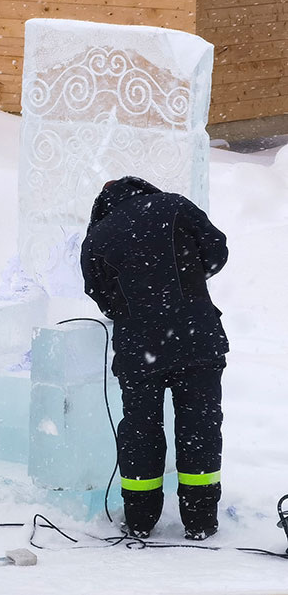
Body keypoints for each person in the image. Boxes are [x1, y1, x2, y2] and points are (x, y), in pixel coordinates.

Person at [80, 176, 228, 541]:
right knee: (200, 428)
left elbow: (99, 294)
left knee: (141, 432)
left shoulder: (98, 236)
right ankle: (200, 519)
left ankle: (141, 520)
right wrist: (188, 284)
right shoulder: (174, 206)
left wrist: (137, 309)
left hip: (139, 351)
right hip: (198, 341)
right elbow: (217, 249)